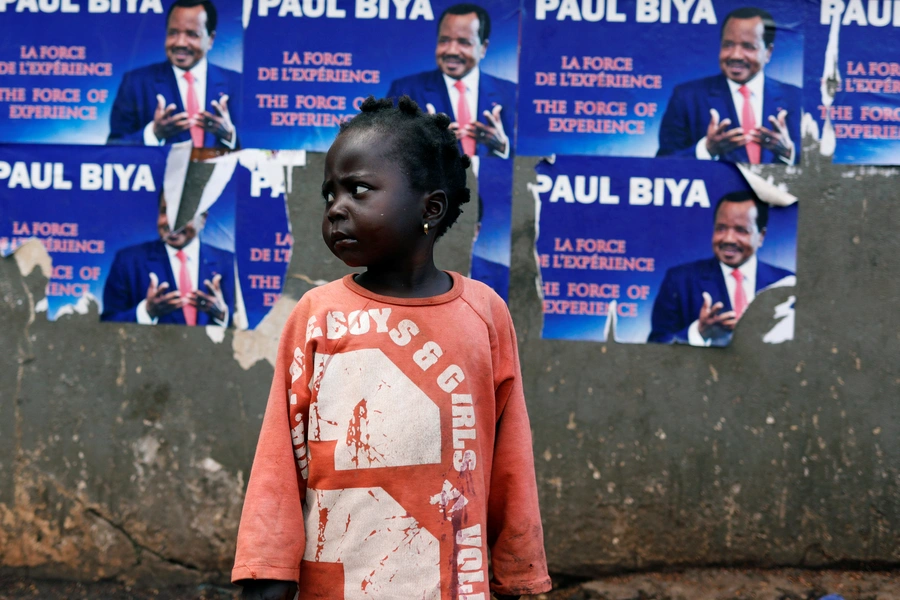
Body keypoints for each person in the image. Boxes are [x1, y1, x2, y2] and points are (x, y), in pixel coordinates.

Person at [232, 96, 551, 600]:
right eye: (329, 194)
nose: (337, 208)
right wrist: (267, 574)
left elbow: (510, 462)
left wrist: (518, 574)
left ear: (431, 208)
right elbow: (278, 463)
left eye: (358, 190)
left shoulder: (483, 314)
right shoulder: (317, 316)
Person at [656, 7, 802, 165]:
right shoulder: (686, 97)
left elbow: (821, 170)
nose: (735, 55)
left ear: (768, 52)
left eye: (748, 46)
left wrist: (788, 152)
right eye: (728, 45)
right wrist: (706, 150)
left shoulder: (796, 98)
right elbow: (663, 164)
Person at [648, 190, 794, 347]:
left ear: (761, 236)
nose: (728, 238)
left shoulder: (787, 283)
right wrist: (698, 332)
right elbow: (656, 347)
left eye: (741, 230)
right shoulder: (680, 281)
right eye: (721, 228)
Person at [386, 3, 516, 159]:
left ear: (483, 48)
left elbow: (534, 161)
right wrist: (420, 144)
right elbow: (386, 155)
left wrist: (503, 147)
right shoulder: (405, 91)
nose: (451, 50)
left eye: (464, 42)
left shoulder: (512, 94)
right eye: (444, 40)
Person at [107, 0, 241, 148]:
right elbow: (113, 149)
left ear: (210, 39)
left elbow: (262, 150)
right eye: (173, 33)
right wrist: (153, 133)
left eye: (192, 34)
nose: (180, 43)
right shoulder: (136, 83)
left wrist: (229, 135)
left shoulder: (237, 84)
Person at [100, 193, 235, 326]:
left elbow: (247, 327)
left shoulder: (228, 263)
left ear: (203, 219)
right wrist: (147, 312)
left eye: (183, 213)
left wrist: (221, 315)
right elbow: (108, 324)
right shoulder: (128, 261)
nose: (172, 222)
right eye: (166, 211)